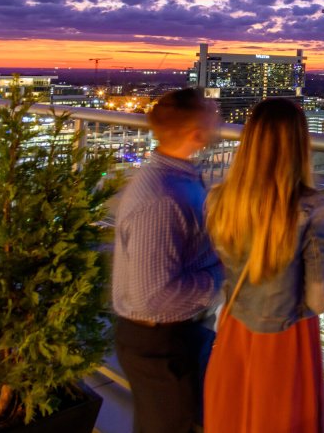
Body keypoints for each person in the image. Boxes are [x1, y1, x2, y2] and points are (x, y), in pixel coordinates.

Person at [203, 98, 324, 433]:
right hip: (287, 342)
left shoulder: (220, 199)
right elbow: (320, 298)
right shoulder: (310, 207)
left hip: (234, 332)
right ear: (299, 145)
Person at [113, 87, 224, 433]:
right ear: (196, 133)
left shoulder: (174, 178)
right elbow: (154, 296)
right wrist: (223, 275)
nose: (220, 120)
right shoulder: (161, 199)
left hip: (173, 337)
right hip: (162, 347)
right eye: (212, 114)